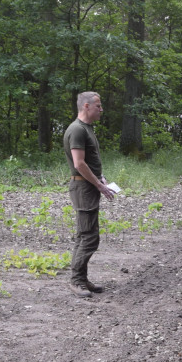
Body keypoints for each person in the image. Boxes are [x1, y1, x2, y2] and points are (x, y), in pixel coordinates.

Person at [63, 92, 117, 298]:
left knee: (85, 234)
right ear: (86, 106)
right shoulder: (77, 130)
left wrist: (100, 179)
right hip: (83, 188)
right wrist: (98, 185)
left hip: (88, 186)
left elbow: (89, 162)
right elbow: (79, 164)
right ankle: (76, 281)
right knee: (89, 237)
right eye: (98, 106)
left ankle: (82, 279)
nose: (101, 110)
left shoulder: (86, 129)